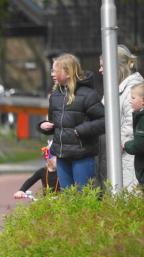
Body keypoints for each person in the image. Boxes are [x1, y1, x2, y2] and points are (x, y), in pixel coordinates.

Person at [38, 53, 105, 189]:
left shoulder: (88, 94)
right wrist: (43, 126)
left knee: (83, 196)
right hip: (62, 157)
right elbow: (55, 123)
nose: (52, 74)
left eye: (55, 71)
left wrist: (81, 130)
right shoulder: (55, 95)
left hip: (82, 155)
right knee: (68, 197)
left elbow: (104, 121)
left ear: (68, 73)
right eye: (52, 70)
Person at [97, 45, 144, 189]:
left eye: (102, 66)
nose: (100, 70)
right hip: (117, 154)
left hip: (128, 156)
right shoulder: (113, 88)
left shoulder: (135, 88)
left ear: (116, 67)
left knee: (129, 198)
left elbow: (132, 123)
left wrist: (119, 144)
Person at [123, 82, 144, 187]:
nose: (130, 101)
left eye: (133, 98)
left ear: (143, 100)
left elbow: (140, 144)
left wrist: (126, 145)